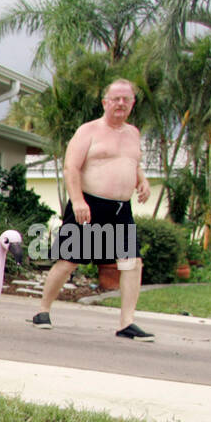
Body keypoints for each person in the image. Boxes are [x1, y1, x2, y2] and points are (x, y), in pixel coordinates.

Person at [32, 78, 155, 341]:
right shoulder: (89, 131)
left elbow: (133, 164)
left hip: (121, 209)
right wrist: (77, 201)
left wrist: (142, 181)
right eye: (116, 99)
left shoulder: (133, 133)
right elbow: (71, 167)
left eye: (126, 99)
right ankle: (43, 310)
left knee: (132, 262)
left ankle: (126, 323)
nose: (121, 103)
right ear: (105, 103)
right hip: (88, 205)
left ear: (132, 103)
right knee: (68, 262)